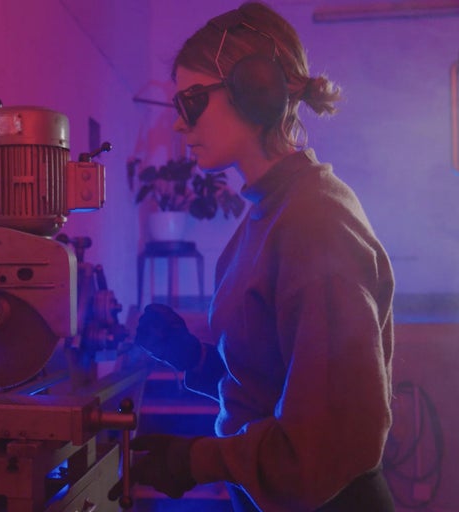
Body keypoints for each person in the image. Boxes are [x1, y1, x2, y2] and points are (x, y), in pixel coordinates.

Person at [118, 2, 396, 511]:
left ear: (257, 88)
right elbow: (271, 384)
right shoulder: (267, 213)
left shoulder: (315, 222)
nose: (181, 126)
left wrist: (196, 461)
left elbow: (326, 441)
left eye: (193, 101)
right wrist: (193, 358)